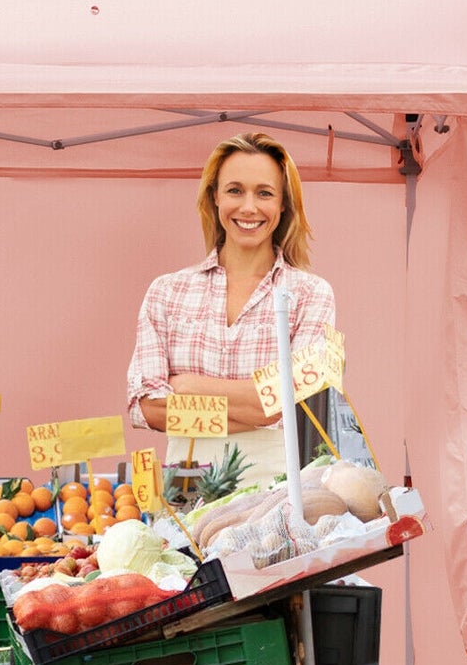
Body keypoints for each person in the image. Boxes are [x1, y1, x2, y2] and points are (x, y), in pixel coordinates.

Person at [127, 131, 336, 486]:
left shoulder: (311, 295)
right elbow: (146, 407)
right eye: (235, 190)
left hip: (276, 493)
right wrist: (256, 407)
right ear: (215, 197)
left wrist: (188, 386)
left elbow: (291, 405)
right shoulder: (167, 292)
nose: (249, 207)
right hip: (184, 488)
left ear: (283, 204)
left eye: (265, 193)